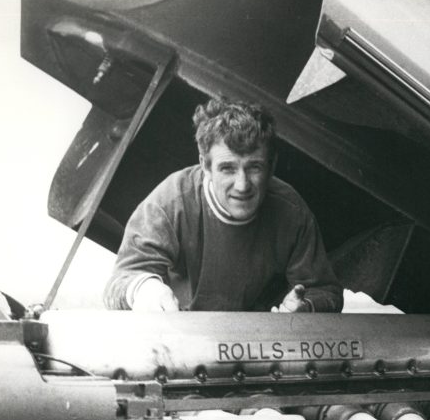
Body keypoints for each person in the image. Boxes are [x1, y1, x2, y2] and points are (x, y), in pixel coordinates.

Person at [104, 98, 343, 313]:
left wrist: (306, 306)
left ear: (272, 166)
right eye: (228, 168)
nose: (242, 185)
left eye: (254, 167)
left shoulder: (291, 211)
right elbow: (118, 283)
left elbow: (326, 291)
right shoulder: (170, 202)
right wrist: (144, 289)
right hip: (183, 335)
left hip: (257, 340)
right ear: (205, 166)